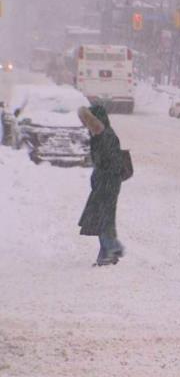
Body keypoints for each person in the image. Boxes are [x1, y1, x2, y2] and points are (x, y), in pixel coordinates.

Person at [77, 105, 125, 266]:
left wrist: (102, 176)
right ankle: (109, 252)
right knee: (102, 218)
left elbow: (111, 163)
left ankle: (111, 251)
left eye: (89, 121)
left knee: (104, 218)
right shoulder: (99, 135)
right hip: (103, 182)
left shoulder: (107, 136)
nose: (86, 124)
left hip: (108, 183)